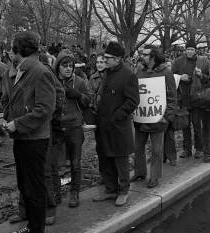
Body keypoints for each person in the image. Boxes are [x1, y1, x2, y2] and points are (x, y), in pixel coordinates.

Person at [3, 31, 56, 233]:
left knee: (34, 187)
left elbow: (45, 109)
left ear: (20, 50)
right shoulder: (24, 69)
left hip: (34, 139)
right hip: (23, 138)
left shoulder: (40, 71)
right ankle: (32, 225)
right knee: (25, 184)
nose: (9, 52)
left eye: (12, 48)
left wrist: (18, 124)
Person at [93, 42, 139, 207]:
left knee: (120, 159)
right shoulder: (108, 73)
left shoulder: (128, 75)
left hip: (118, 126)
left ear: (118, 59)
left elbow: (133, 100)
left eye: (108, 58)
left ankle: (123, 191)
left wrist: (116, 116)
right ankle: (110, 189)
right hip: (103, 125)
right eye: (104, 57)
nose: (105, 60)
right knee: (105, 158)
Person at [132, 46, 177, 188]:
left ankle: (155, 176)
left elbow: (172, 96)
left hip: (158, 118)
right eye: (142, 54)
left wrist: (167, 116)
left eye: (146, 55)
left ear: (153, 57)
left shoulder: (166, 72)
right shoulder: (139, 71)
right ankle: (140, 172)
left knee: (157, 150)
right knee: (138, 147)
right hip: (141, 118)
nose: (142, 57)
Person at [52, 50, 92, 207]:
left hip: (74, 126)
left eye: (71, 66)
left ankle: (74, 192)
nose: (68, 69)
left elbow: (89, 100)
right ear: (58, 67)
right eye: (64, 65)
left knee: (75, 162)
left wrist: (79, 95)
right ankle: (56, 193)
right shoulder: (52, 81)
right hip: (56, 127)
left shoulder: (80, 82)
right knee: (54, 163)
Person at [171, 40, 210, 158]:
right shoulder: (178, 62)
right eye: (187, 49)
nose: (189, 51)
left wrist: (201, 75)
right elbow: (170, 76)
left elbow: (209, 78)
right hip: (183, 98)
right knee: (185, 125)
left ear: (195, 50)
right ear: (185, 50)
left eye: (192, 49)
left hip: (197, 98)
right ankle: (186, 149)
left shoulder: (203, 61)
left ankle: (199, 148)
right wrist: (179, 77)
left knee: (197, 124)